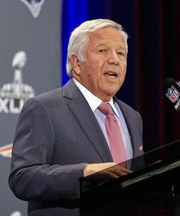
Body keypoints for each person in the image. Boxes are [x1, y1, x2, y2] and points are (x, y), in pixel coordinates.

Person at [9, 19, 144, 216]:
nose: (115, 59)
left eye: (121, 53)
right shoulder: (44, 108)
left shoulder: (133, 117)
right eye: (102, 51)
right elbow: (22, 178)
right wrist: (84, 173)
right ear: (76, 63)